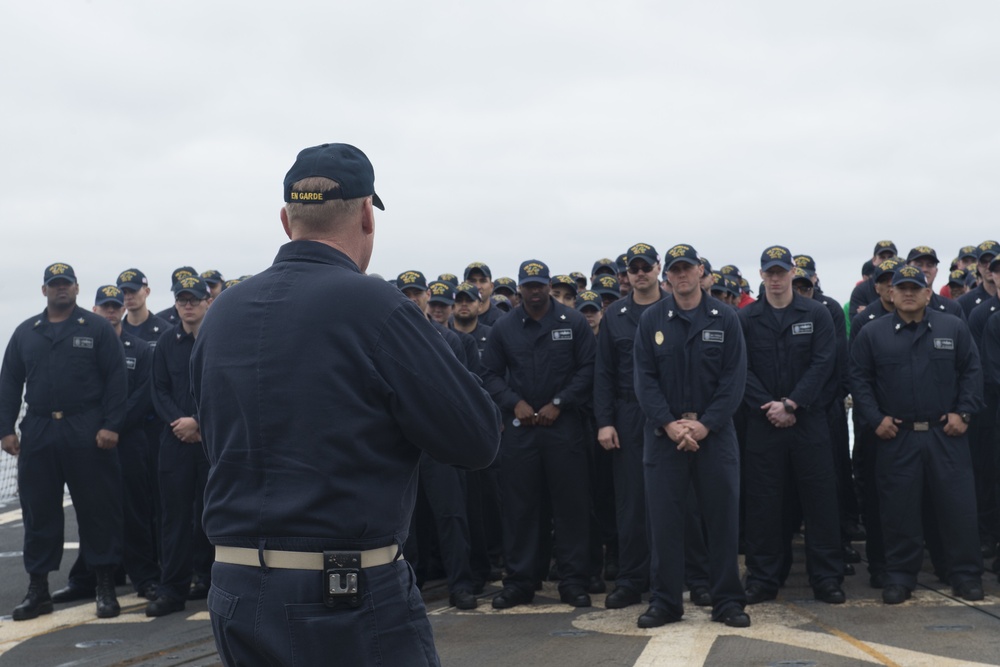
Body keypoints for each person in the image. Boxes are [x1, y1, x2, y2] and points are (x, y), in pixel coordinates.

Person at [190, 143, 500, 666]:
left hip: (235, 587)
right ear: (365, 215)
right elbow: (477, 438)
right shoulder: (375, 306)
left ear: (287, 220)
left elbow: (217, 438)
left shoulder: (223, 314)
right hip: (343, 598)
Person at [850, 265, 985, 604]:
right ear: (890, 294)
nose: (909, 293)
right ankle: (899, 576)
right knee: (899, 511)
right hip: (897, 437)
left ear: (928, 293)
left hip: (946, 435)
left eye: (916, 287)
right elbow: (859, 380)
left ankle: (965, 575)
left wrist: (964, 413)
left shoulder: (953, 327)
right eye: (902, 288)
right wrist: (874, 418)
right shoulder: (872, 333)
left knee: (957, 510)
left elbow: (972, 371)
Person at [632, 243, 750, 628]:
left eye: (688, 268)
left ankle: (728, 601)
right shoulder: (652, 320)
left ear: (701, 271)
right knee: (664, 523)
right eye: (675, 269)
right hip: (664, 436)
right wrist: (670, 424)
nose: (682, 276)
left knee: (722, 522)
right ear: (666, 275)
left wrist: (705, 424)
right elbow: (644, 380)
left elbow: (734, 379)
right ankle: (665, 602)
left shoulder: (726, 318)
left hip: (714, 435)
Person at [0, 263, 127, 620]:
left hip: (86, 429)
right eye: (54, 285)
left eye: (66, 284)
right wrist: (5, 429)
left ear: (76, 289)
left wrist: (111, 425)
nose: (60, 290)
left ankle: (104, 586)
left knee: (96, 509)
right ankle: (38, 589)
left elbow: (117, 380)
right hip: (39, 430)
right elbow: (9, 381)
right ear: (44, 291)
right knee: (39, 512)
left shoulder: (97, 328)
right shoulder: (27, 332)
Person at [482, 259, 597, 609]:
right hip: (521, 432)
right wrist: (512, 402)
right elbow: (489, 374)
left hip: (563, 428)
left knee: (570, 508)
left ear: (549, 286)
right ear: (520, 288)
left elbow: (588, 369)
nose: (535, 291)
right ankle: (520, 582)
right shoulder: (504, 327)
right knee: (520, 509)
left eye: (540, 284)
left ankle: (573, 580)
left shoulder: (573, 322)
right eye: (528, 285)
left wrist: (559, 403)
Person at [739, 246, 846, 605]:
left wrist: (792, 403)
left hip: (808, 421)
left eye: (781, 272)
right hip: (763, 422)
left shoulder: (817, 314)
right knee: (764, 505)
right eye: (769, 272)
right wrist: (770, 406)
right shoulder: (747, 318)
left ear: (791, 273)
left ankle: (827, 578)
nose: (775, 278)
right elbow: (741, 369)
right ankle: (763, 578)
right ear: (761, 275)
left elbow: (824, 364)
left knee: (820, 503)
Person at [53, 286, 161, 605]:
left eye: (116, 306)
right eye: (105, 307)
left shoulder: (141, 350)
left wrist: (111, 426)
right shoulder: (79, 350)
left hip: (128, 442)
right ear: (95, 310)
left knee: (135, 511)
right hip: (90, 444)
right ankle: (88, 577)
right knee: (92, 512)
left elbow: (143, 397)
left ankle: (145, 576)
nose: (111, 311)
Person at [147, 275, 215, 617]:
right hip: (175, 441)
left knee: (211, 514)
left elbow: (225, 387)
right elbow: (157, 390)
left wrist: (200, 423)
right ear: (175, 303)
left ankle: (210, 579)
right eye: (182, 299)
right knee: (173, 519)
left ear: (207, 302)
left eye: (194, 299)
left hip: (210, 441)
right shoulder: (164, 344)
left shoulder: (219, 341)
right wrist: (182, 423)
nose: (188, 305)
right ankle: (172, 588)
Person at [850, 241, 898, 316]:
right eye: (882, 257)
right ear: (874, 260)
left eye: (890, 257)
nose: (886, 261)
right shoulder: (861, 291)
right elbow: (857, 322)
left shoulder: (904, 286)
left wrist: (869, 312)